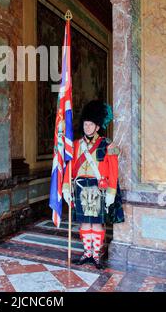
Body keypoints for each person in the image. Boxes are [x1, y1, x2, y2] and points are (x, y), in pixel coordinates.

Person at [62, 100, 124, 269]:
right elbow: (68, 167)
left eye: (91, 124)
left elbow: (113, 169)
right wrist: (66, 188)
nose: (87, 127)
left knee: (96, 222)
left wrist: (111, 192)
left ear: (97, 127)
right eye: (85, 124)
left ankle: (96, 254)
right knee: (84, 223)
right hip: (80, 187)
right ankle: (87, 253)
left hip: (99, 188)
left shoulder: (107, 144)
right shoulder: (75, 145)